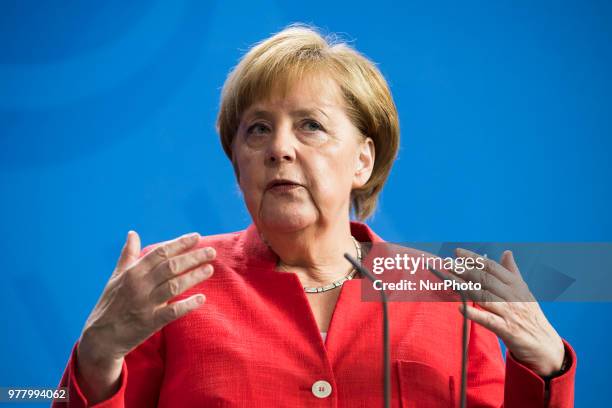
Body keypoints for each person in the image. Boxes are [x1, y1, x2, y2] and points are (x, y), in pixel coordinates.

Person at [54, 24, 576, 407]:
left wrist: (546, 368)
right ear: (236, 162)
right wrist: (96, 358)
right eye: (257, 129)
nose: (279, 148)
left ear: (363, 159)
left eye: (310, 126)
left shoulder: (448, 290)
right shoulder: (170, 283)